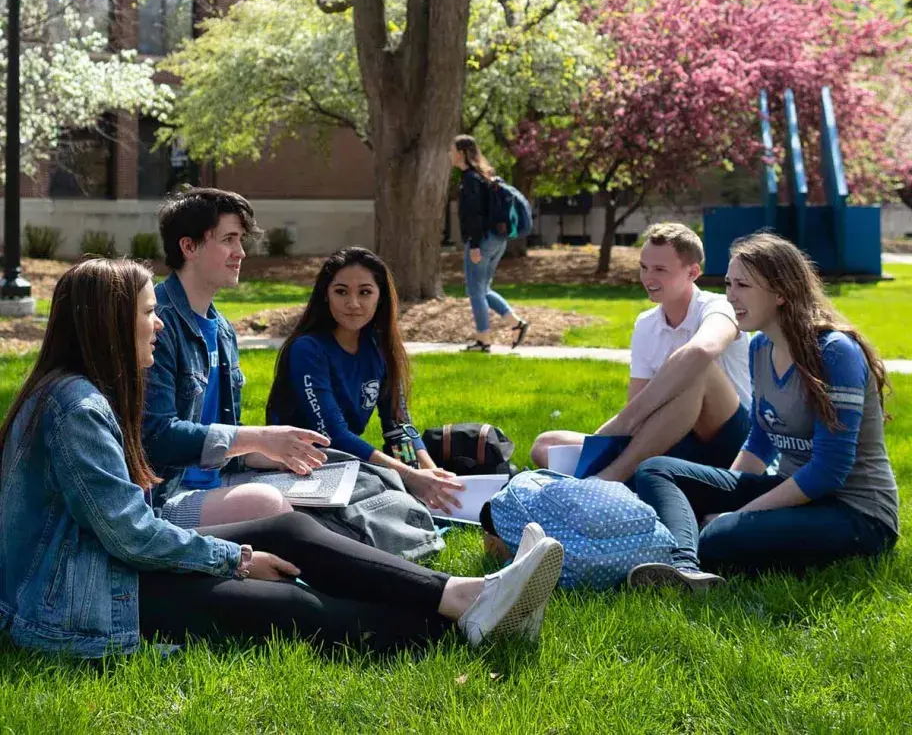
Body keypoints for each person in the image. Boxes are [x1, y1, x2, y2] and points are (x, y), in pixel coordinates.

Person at [0, 258, 565, 658]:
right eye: (149, 311)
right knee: (283, 603)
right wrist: (234, 559)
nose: (160, 322)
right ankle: (469, 623)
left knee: (288, 527)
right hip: (76, 599)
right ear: (107, 322)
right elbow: (128, 536)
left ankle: (466, 595)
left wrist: (235, 549)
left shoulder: (82, 393)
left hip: (107, 562)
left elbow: (125, 528)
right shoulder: (76, 407)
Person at [628, 233, 899, 589]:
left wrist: (738, 513)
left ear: (781, 293)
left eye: (742, 285)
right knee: (656, 470)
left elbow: (829, 472)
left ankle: (689, 554)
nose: (730, 295)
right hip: (791, 490)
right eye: (728, 283)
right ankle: (686, 567)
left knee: (720, 533)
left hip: (855, 513)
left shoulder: (835, 352)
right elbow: (761, 437)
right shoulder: (760, 348)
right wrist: (725, 489)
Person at [142, 187, 331, 528]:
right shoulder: (156, 326)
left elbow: (224, 441)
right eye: (229, 239)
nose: (240, 252)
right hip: (167, 499)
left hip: (220, 482)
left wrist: (276, 453)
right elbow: (157, 437)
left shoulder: (222, 329)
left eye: (240, 240)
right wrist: (258, 438)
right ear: (189, 247)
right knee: (271, 505)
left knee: (339, 477)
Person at [530, 222, 751, 482]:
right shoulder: (646, 324)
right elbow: (639, 402)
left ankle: (610, 479)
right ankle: (631, 477)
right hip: (674, 439)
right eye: (644, 267)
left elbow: (703, 349)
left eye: (660, 269)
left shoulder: (719, 307)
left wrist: (621, 423)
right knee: (546, 444)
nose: (648, 278)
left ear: (692, 272)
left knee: (698, 371)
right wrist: (617, 434)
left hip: (734, 441)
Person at [266, 247, 465, 515]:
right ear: (326, 295)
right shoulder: (307, 349)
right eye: (341, 292)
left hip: (349, 465)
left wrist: (432, 474)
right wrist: (408, 476)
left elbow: (398, 427)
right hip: (302, 469)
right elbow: (332, 437)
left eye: (365, 292)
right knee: (391, 499)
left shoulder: (380, 349)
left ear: (380, 297)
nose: (353, 303)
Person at [452, 134, 529, 353]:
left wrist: (474, 245)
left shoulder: (470, 180)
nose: (449, 154)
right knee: (483, 289)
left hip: (482, 241)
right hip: (497, 239)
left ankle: (483, 341)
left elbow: (475, 216)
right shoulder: (484, 176)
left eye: (452, 150)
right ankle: (516, 323)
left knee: (475, 291)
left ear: (461, 153)